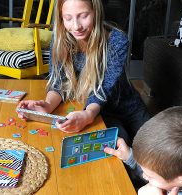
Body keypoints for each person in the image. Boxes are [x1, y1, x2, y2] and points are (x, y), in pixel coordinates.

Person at [17, 0, 149, 146]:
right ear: (61, 18)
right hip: (101, 113)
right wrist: (47, 105)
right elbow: (59, 82)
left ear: (96, 12)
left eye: (83, 16)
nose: (76, 26)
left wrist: (88, 115)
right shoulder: (60, 39)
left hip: (128, 108)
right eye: (68, 18)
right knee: (120, 150)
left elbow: (104, 88)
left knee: (156, 152)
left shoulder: (117, 41)